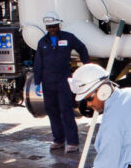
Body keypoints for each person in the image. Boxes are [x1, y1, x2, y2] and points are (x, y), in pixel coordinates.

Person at [33, 12, 90, 152]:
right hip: (48, 83)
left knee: (66, 111)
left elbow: (82, 48)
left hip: (63, 81)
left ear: (59, 25)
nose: (51, 29)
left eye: (54, 26)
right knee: (52, 111)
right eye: (49, 27)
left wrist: (87, 67)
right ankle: (58, 140)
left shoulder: (68, 38)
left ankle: (73, 142)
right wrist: (37, 81)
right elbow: (38, 63)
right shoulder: (42, 43)